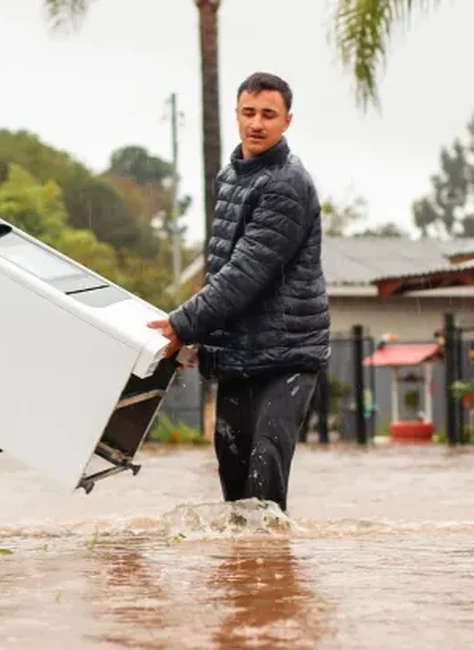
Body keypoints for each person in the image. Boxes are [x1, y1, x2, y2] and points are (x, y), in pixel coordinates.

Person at [148, 72, 329, 513]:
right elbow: (221, 264)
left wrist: (181, 323)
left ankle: (276, 579)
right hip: (237, 354)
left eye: (269, 115)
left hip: (287, 355)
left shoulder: (287, 184)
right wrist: (200, 341)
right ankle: (245, 580)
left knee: (264, 482)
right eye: (249, 113)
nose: (257, 123)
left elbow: (246, 272)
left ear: (287, 121)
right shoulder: (230, 177)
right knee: (234, 486)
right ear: (236, 115)